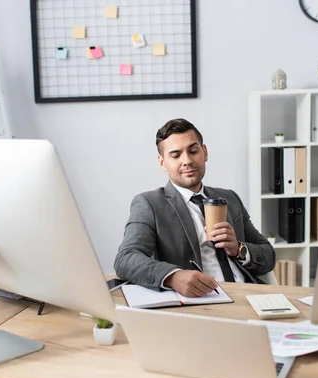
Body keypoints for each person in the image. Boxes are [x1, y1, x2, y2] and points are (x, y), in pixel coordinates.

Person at [114, 118, 275, 297]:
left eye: (193, 151)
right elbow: (126, 258)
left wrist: (239, 248)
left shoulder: (230, 198)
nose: (187, 160)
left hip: (246, 294)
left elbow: (268, 254)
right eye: (175, 155)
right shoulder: (149, 203)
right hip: (200, 299)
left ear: (204, 152)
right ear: (162, 163)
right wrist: (173, 277)